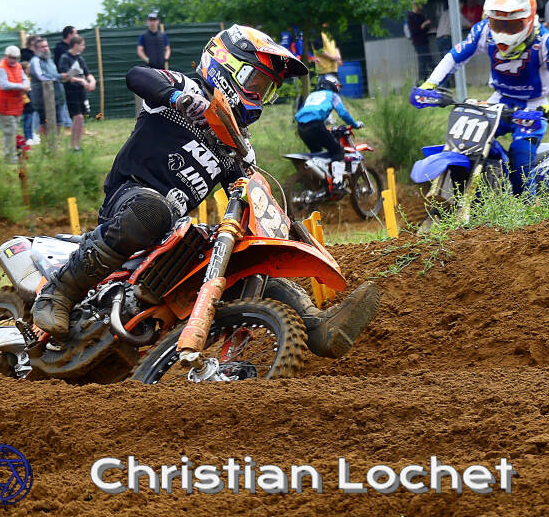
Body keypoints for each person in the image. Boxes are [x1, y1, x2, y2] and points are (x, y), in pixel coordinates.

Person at [32, 24, 379, 360]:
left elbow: (249, 196)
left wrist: (283, 228)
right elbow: (137, 75)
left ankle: (316, 326)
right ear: (227, 66)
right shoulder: (188, 89)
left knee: (244, 255)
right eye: (255, 82)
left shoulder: (237, 145)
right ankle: (58, 293)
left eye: (266, 89)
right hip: (130, 200)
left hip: (172, 231)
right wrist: (178, 98)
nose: (259, 95)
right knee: (154, 209)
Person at [414, 0, 549, 196]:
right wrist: (430, 83)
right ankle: (481, 193)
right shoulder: (484, 30)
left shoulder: (546, 43)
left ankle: (529, 209)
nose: (502, 32)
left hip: (532, 108)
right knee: (466, 145)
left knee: (521, 160)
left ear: (529, 19)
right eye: (497, 23)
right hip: (498, 101)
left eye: (511, 25)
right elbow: (454, 57)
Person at [294, 74, 364, 195]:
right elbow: (343, 113)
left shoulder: (311, 95)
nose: (338, 89)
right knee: (338, 151)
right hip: (316, 126)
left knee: (317, 153)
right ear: (333, 85)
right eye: (337, 86)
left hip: (301, 128)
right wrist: (355, 124)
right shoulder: (332, 95)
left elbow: (307, 111)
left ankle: (319, 184)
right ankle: (337, 184)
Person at [0, 46, 30, 164]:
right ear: (6, 56)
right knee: (10, 132)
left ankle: (13, 155)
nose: (13, 60)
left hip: (16, 105)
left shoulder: (18, 66)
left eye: (15, 58)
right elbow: (4, 85)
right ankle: (10, 158)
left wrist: (26, 84)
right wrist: (21, 86)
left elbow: (24, 78)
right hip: (4, 106)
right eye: (11, 58)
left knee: (14, 131)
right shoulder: (0, 68)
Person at [58, 35, 96, 152]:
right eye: (82, 45)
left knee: (81, 118)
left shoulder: (80, 58)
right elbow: (65, 76)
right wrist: (81, 80)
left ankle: (77, 146)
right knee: (77, 117)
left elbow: (87, 73)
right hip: (71, 91)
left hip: (81, 91)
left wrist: (92, 81)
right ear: (75, 45)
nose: (84, 47)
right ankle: (73, 145)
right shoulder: (65, 58)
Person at [29, 37, 69, 139]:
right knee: (44, 122)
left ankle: (55, 141)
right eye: (42, 47)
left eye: (46, 46)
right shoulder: (35, 61)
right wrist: (59, 77)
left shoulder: (50, 61)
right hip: (42, 98)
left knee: (59, 121)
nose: (46, 48)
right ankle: (45, 144)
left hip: (56, 96)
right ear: (36, 49)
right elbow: (41, 76)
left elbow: (54, 74)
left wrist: (62, 77)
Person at [407, 3, 433, 82]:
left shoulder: (421, 16)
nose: (419, 9)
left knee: (428, 61)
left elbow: (425, 29)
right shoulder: (411, 17)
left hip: (424, 41)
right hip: (418, 43)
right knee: (422, 62)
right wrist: (423, 25)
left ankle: (426, 79)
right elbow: (414, 31)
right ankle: (421, 81)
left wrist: (427, 26)